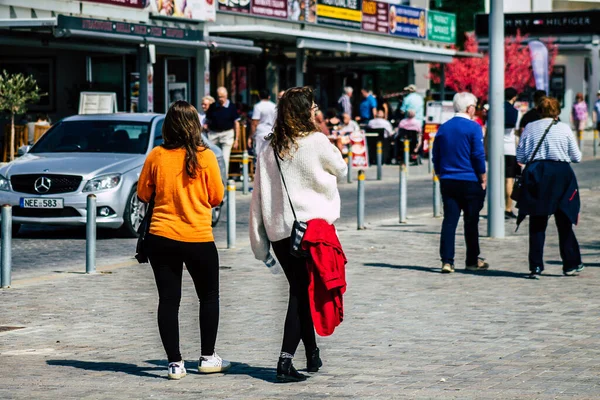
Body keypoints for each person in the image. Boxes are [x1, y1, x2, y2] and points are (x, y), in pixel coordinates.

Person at [249, 87, 347, 382]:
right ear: (306, 112)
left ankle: (312, 354)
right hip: (309, 232)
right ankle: (284, 360)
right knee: (299, 293)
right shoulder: (316, 141)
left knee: (300, 289)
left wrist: (258, 242)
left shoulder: (268, 147)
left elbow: (257, 196)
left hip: (280, 232)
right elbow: (341, 169)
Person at [138, 101, 229, 380]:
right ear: (195, 126)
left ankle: (175, 364)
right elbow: (217, 197)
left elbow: (143, 193)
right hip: (198, 237)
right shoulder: (206, 156)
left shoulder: (156, 155)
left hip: (162, 236)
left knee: (168, 300)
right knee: (209, 297)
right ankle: (207, 357)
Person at [516, 97, 584, 279]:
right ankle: (570, 263)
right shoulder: (564, 128)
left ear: (539, 110)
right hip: (561, 174)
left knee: (537, 221)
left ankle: (536, 266)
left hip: (537, 173)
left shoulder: (530, 127)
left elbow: (521, 156)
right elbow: (576, 156)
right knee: (564, 220)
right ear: (557, 111)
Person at [432, 92, 488, 274]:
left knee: (449, 221)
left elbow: (436, 154)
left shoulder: (443, 128)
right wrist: (483, 176)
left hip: (448, 180)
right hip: (469, 179)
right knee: (471, 221)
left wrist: (440, 173)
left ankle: (447, 261)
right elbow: (478, 155)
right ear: (469, 108)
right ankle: (472, 260)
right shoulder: (474, 128)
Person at [206, 87, 240, 177]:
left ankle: (223, 179)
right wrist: (206, 126)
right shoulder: (213, 106)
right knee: (213, 157)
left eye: (223, 97)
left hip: (227, 134)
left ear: (226, 96)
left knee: (224, 158)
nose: (221, 99)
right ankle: (214, 177)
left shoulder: (231, 106)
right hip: (213, 134)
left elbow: (236, 123)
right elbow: (207, 120)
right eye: (219, 97)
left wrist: (236, 139)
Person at [504, 87, 520, 220]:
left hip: (495, 149)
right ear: (514, 97)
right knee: (509, 180)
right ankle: (508, 208)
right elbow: (517, 133)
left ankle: (496, 207)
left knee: (496, 180)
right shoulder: (515, 112)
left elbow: (487, 132)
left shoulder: (494, 110)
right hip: (509, 149)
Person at [249, 89, 277, 158]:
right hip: (271, 132)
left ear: (259, 96)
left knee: (259, 156)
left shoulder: (258, 106)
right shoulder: (274, 106)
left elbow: (254, 123)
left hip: (260, 133)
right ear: (269, 97)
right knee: (271, 156)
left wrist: (251, 136)